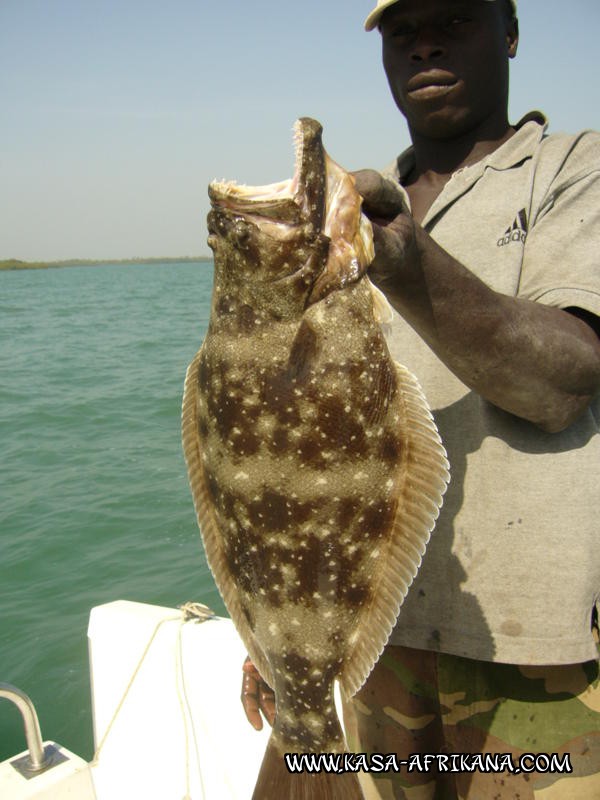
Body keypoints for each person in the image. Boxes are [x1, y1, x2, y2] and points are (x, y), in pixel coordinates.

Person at [241, 1, 600, 797]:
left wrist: (400, 257)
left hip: (533, 648)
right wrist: (273, 628)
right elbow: (291, 455)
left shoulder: (576, 169)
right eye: (402, 32)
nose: (425, 44)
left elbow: (563, 383)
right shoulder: (354, 214)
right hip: (374, 645)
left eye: (456, 19)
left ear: (509, 33)